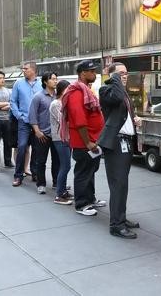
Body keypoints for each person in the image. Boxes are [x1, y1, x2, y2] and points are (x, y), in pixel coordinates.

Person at [99, 63, 142, 239]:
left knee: (122, 185)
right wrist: (114, 78)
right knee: (118, 185)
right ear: (112, 76)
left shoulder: (123, 92)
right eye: (120, 74)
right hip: (116, 144)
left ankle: (121, 218)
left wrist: (134, 120)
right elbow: (115, 98)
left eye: (126, 73)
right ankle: (116, 225)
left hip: (126, 143)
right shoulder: (106, 90)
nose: (125, 76)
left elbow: (123, 115)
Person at [66, 60, 106, 216]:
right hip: (84, 143)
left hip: (92, 140)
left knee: (90, 170)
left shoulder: (86, 90)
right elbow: (79, 120)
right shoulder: (76, 92)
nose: (94, 73)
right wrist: (88, 142)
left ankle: (90, 199)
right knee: (83, 172)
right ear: (83, 73)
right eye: (92, 71)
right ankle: (81, 204)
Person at [10, 62, 43, 187]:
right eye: (23, 68)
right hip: (23, 121)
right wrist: (19, 115)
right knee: (22, 146)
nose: (23, 70)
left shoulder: (41, 84)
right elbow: (13, 102)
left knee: (37, 148)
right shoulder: (18, 83)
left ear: (34, 70)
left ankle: (35, 173)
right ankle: (18, 175)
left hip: (38, 122)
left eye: (26, 68)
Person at [29, 72, 60, 194]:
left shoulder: (58, 96)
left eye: (56, 79)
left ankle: (56, 182)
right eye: (52, 79)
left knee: (57, 160)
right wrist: (37, 131)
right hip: (43, 134)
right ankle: (41, 184)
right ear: (45, 82)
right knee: (41, 160)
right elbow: (32, 115)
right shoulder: (38, 97)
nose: (55, 81)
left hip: (56, 134)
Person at [50, 79, 73, 205]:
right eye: (68, 89)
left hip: (67, 137)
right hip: (59, 138)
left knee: (65, 165)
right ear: (62, 90)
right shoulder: (56, 104)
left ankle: (63, 190)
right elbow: (63, 120)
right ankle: (59, 194)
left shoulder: (64, 102)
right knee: (65, 165)